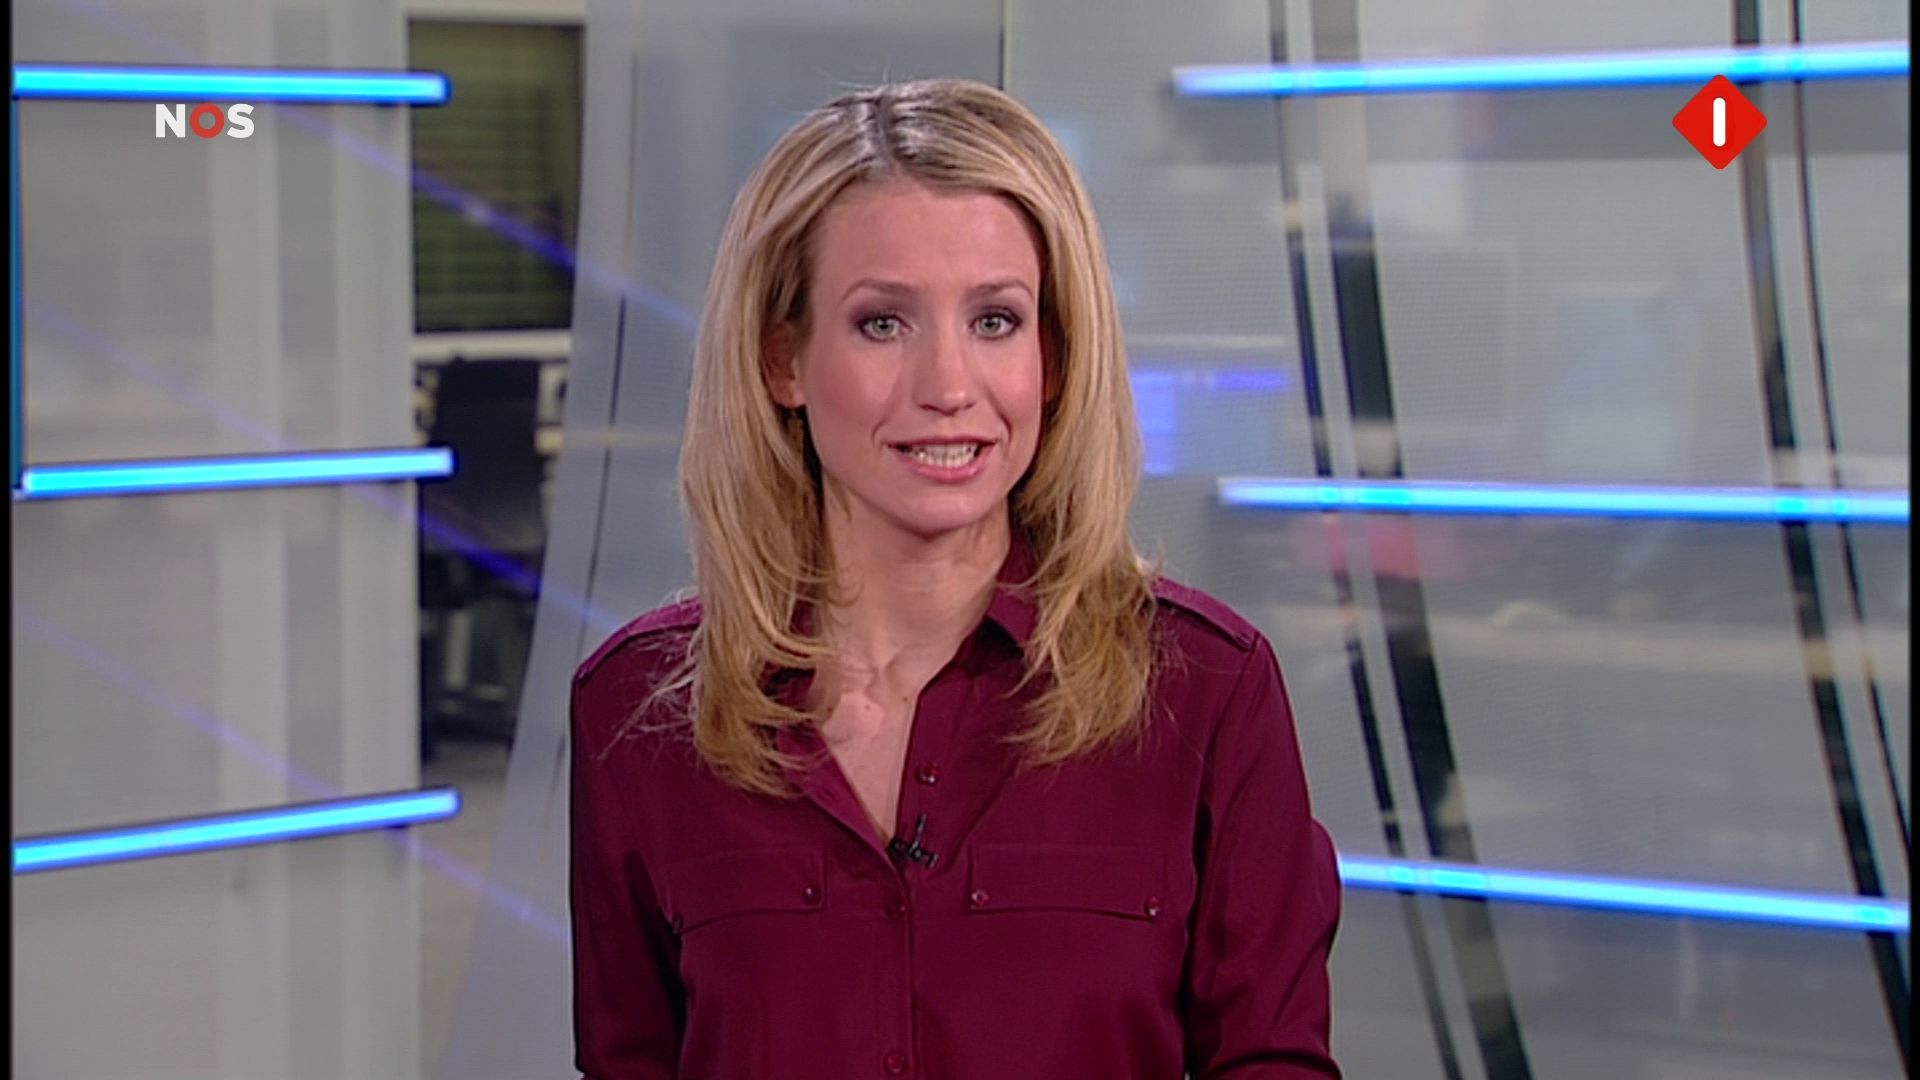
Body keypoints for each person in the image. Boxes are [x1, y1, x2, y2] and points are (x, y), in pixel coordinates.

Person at [569, 77, 1341, 1079]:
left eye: (995, 321)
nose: (947, 387)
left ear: (1054, 357)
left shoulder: (1207, 692)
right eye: (883, 323)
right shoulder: (637, 712)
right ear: (782, 359)